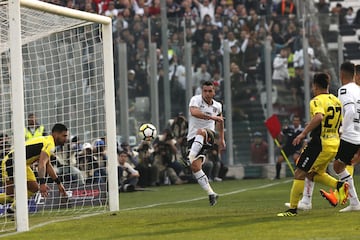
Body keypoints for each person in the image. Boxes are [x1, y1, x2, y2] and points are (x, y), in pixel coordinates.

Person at [277, 73, 348, 217]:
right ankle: (339, 186)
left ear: (315, 86)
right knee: (312, 173)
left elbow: (319, 116)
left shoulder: (316, 101)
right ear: (327, 85)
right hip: (334, 142)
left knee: (299, 172)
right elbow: (339, 122)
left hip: (320, 144)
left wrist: (303, 133)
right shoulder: (336, 100)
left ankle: (292, 210)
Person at [299, 62, 360, 212]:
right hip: (358, 133)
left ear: (341, 75)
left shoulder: (344, 90)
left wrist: (342, 130)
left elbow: (350, 111)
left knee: (320, 167)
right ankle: (350, 200)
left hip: (349, 135)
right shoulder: (358, 90)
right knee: (339, 166)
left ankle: (347, 198)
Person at [0, 123, 68, 215]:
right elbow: (41, 164)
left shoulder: (47, 142)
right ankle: (13, 209)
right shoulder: (50, 143)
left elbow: (48, 165)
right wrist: (43, 183)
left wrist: (59, 183)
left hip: (23, 164)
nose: (66, 139)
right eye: (64, 136)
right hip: (11, 162)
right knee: (10, 196)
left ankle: (12, 210)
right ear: (56, 134)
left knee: (34, 188)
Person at [185, 80, 225, 206]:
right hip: (193, 138)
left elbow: (221, 121)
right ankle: (211, 193)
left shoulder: (217, 106)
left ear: (214, 92)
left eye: (210, 91)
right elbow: (194, 112)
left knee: (201, 131)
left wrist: (222, 139)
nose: (207, 93)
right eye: (205, 91)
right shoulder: (196, 100)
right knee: (195, 167)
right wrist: (213, 117)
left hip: (208, 135)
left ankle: (189, 158)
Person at [274, 115, 304, 179]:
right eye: (294, 120)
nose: (295, 122)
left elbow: (305, 141)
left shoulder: (302, 130)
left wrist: (302, 148)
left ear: (299, 122)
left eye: (297, 120)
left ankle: (297, 174)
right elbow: (280, 135)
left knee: (296, 158)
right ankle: (277, 176)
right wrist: (281, 144)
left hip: (297, 147)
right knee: (279, 160)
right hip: (288, 147)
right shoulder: (289, 128)